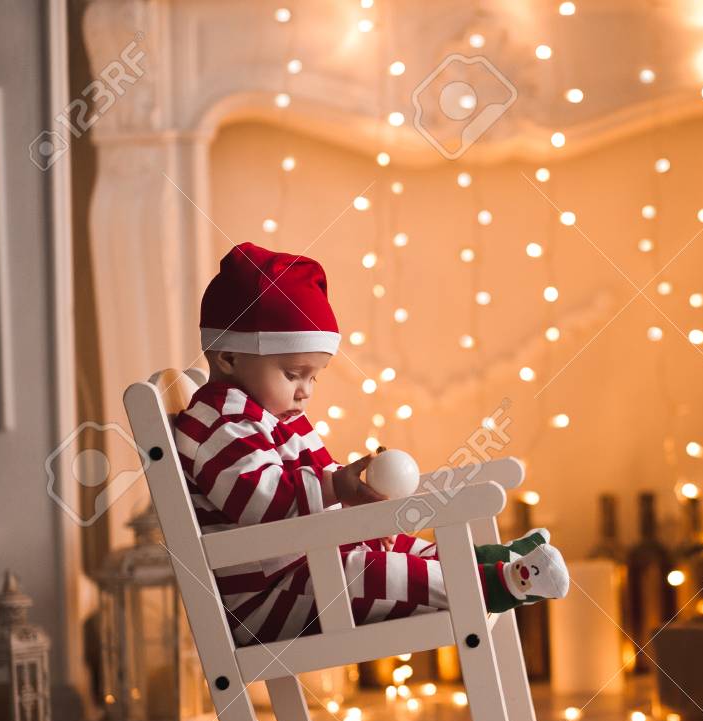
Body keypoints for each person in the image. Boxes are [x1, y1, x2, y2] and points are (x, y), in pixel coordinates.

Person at [172, 242, 569, 647]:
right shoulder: (221, 422)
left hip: (305, 570)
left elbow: (319, 479)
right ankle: (494, 585)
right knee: (370, 571)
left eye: (314, 377)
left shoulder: (272, 416)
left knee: (397, 548)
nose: (306, 391)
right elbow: (264, 503)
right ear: (229, 357)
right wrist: (336, 489)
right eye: (293, 374)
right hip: (268, 601)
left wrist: (359, 513)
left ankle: (491, 561)